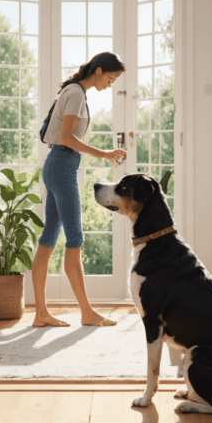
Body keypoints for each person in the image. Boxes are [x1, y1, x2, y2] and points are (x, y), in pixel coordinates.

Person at [32, 52, 128, 327]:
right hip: (62, 167)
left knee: (49, 236)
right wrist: (104, 154)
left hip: (58, 165)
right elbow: (67, 137)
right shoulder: (75, 93)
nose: (110, 84)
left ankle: (41, 314)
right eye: (110, 79)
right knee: (75, 238)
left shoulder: (74, 91)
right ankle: (87, 312)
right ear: (98, 71)